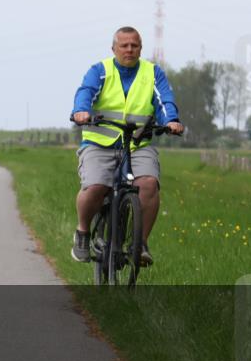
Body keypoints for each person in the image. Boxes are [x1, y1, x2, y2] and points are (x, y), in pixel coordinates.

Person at [71, 26, 183, 266]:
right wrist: (81, 111)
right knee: (96, 186)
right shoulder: (100, 71)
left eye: (134, 45)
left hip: (137, 144)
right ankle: (82, 232)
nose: (129, 49)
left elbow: (164, 100)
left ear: (141, 48)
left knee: (149, 184)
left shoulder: (153, 73)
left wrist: (171, 121)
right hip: (100, 144)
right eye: (124, 45)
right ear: (114, 48)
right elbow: (86, 93)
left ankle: (139, 244)